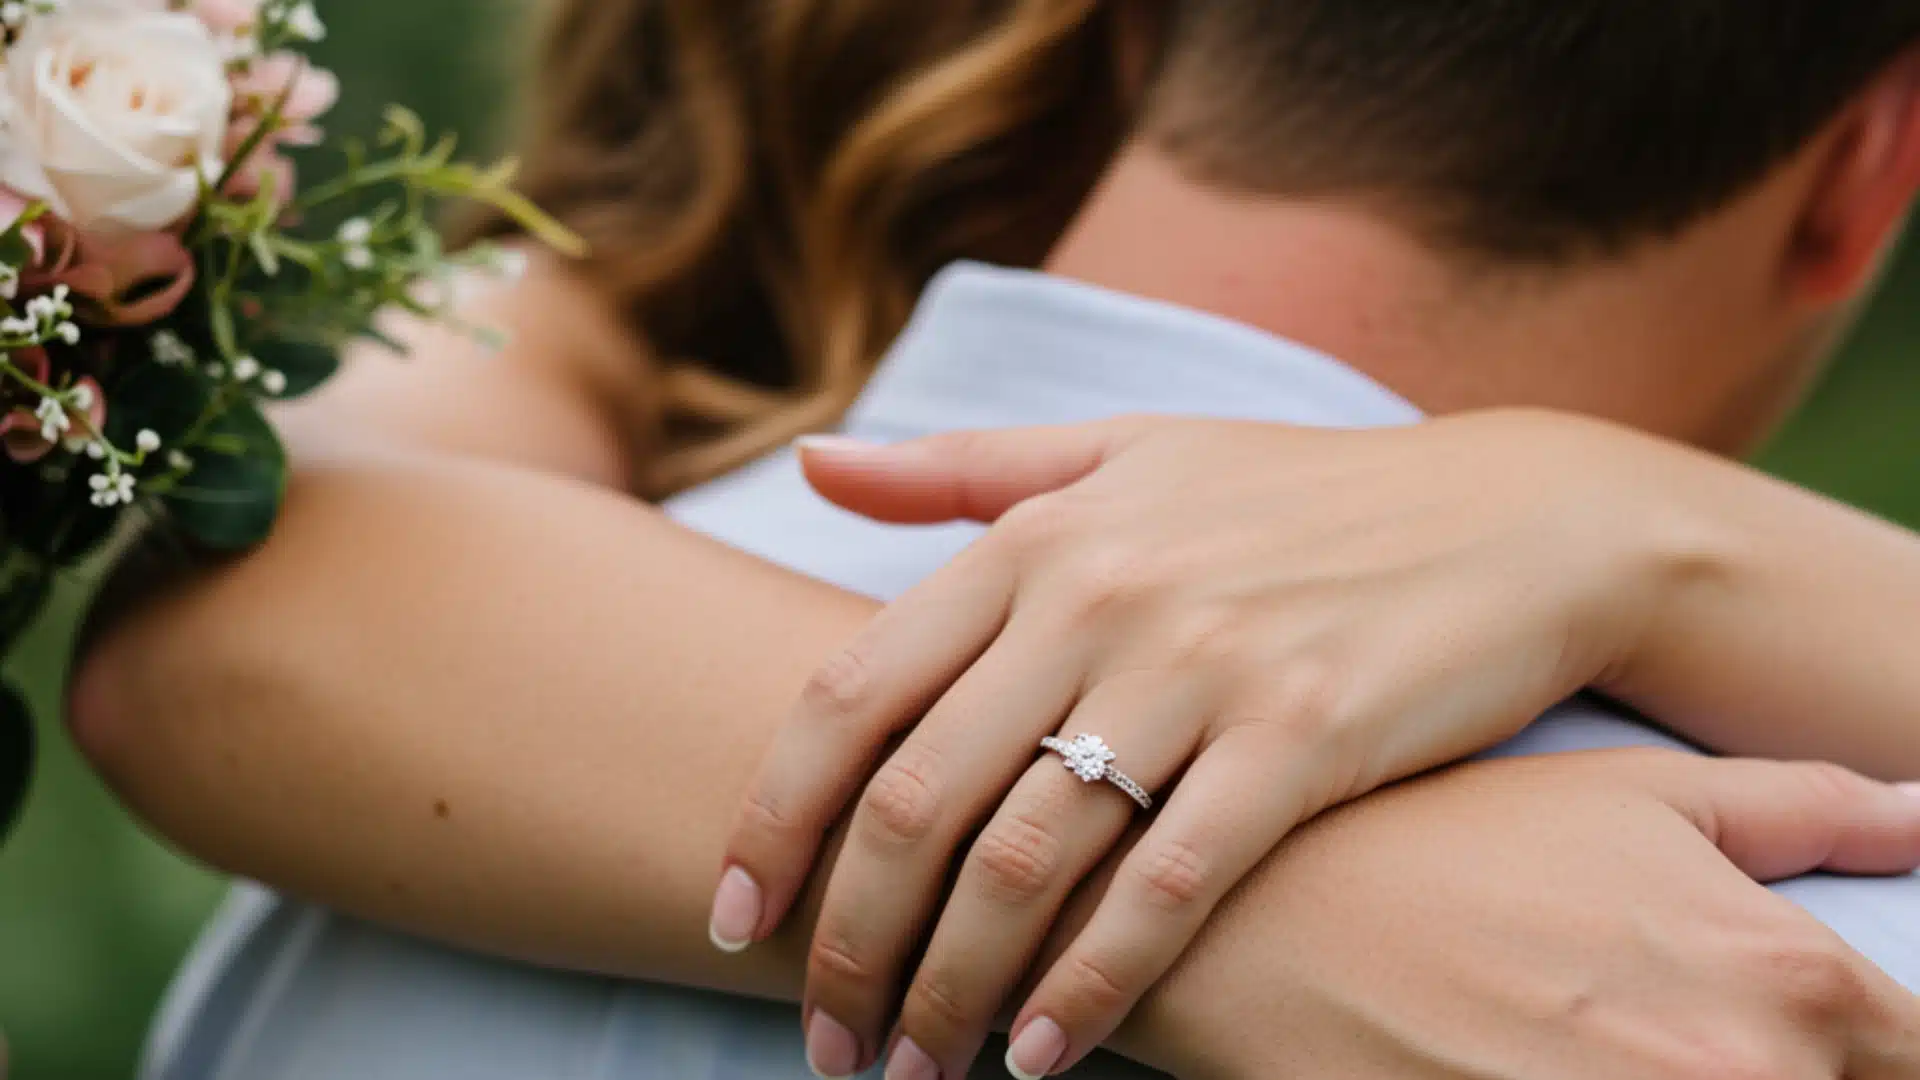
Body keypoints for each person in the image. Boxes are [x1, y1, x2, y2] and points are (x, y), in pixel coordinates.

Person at [72, 1, 1920, 1078]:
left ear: (1131, 41)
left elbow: (214, 604)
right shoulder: (1785, 966)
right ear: (1873, 172)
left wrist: (1645, 529)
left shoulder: (434, 706)